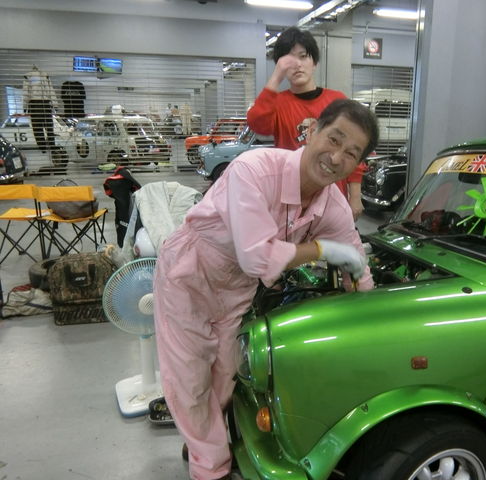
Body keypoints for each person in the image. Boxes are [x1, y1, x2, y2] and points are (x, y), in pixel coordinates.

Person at [154, 98, 379, 480]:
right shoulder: (254, 169)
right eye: (334, 139)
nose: (336, 157)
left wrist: (369, 307)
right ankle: (211, 469)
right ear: (312, 131)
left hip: (236, 290)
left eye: (351, 153)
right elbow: (257, 259)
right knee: (189, 380)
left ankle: (203, 438)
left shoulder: (332, 205)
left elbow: (356, 260)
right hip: (190, 271)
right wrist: (321, 249)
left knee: (227, 374)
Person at [247, 26, 367, 220]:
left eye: (303, 57)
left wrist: (355, 195)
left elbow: (353, 151)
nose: (297, 65)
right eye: (288, 60)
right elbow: (257, 124)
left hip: (333, 197)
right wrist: (276, 76)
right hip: (292, 201)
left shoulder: (337, 100)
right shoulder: (277, 104)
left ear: (314, 62)